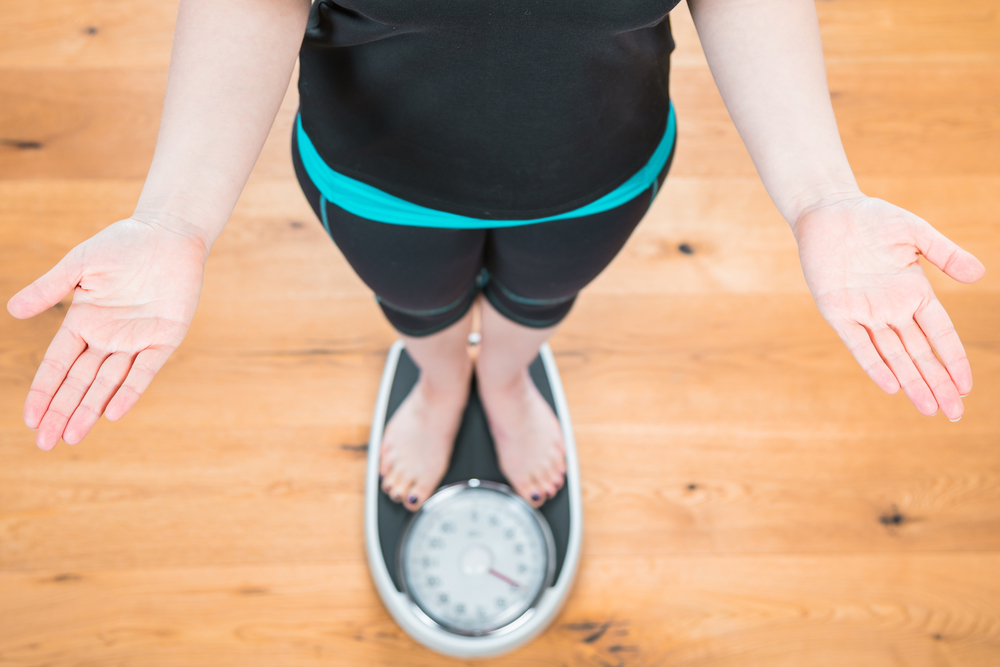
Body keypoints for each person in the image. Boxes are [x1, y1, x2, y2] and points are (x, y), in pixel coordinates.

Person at [7, 0, 984, 514]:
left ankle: (508, 383)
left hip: (595, 172)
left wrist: (819, 195)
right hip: (379, 176)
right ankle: (438, 388)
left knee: (538, 301)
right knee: (420, 309)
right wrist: (175, 214)